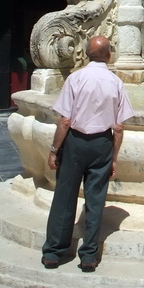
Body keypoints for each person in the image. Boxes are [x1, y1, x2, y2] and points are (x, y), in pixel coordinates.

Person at [41, 35, 134, 272]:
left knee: (64, 196)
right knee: (95, 200)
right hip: (102, 143)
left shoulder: (76, 78)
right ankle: (89, 256)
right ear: (109, 55)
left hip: (74, 142)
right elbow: (119, 127)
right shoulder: (116, 82)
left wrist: (54, 150)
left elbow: (64, 121)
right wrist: (113, 157)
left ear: (86, 53)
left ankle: (54, 252)